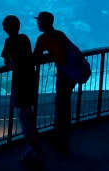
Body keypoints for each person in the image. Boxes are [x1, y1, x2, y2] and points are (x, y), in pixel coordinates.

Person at [1, 15, 41, 163]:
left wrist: (11, 62)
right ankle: (34, 143)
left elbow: (6, 62)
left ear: (6, 28)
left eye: (4, 26)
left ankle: (33, 146)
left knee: (24, 116)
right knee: (28, 112)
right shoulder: (24, 38)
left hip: (20, 82)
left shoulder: (9, 41)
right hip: (31, 78)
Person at [33, 11, 74, 154]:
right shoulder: (60, 34)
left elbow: (36, 57)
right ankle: (63, 137)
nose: (37, 23)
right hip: (70, 74)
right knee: (64, 105)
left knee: (61, 105)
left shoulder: (43, 38)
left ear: (43, 23)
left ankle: (61, 141)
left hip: (64, 74)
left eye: (38, 21)